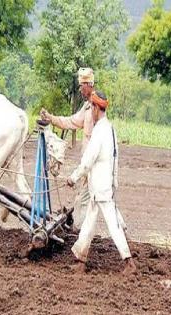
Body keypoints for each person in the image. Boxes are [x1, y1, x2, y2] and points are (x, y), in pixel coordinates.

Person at [40, 68, 126, 232]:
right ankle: (117, 230)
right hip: (90, 168)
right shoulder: (87, 107)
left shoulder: (96, 110)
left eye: (81, 86)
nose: (80, 89)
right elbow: (71, 122)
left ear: (88, 85)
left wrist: (75, 176)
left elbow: (97, 147)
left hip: (95, 166)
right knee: (102, 201)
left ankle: (79, 233)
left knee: (88, 201)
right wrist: (51, 118)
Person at [66, 90, 137, 275]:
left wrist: (73, 177)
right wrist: (114, 182)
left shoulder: (99, 131)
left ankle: (129, 263)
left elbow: (88, 160)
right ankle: (81, 261)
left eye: (91, 108)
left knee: (113, 226)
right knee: (88, 224)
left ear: (97, 108)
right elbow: (116, 157)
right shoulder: (110, 129)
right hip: (102, 187)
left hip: (101, 188)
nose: (90, 111)